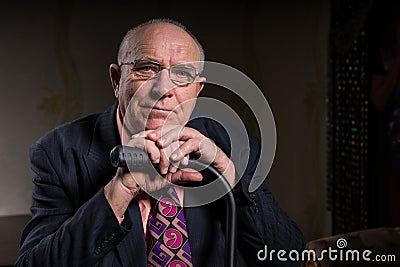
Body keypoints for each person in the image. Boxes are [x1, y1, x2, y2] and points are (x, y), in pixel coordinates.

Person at [16, 19, 304, 266]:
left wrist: (231, 178)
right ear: (117, 80)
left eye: (182, 75)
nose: (164, 89)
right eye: (147, 69)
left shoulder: (228, 145)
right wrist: (119, 191)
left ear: (197, 90)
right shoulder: (60, 152)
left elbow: (289, 256)